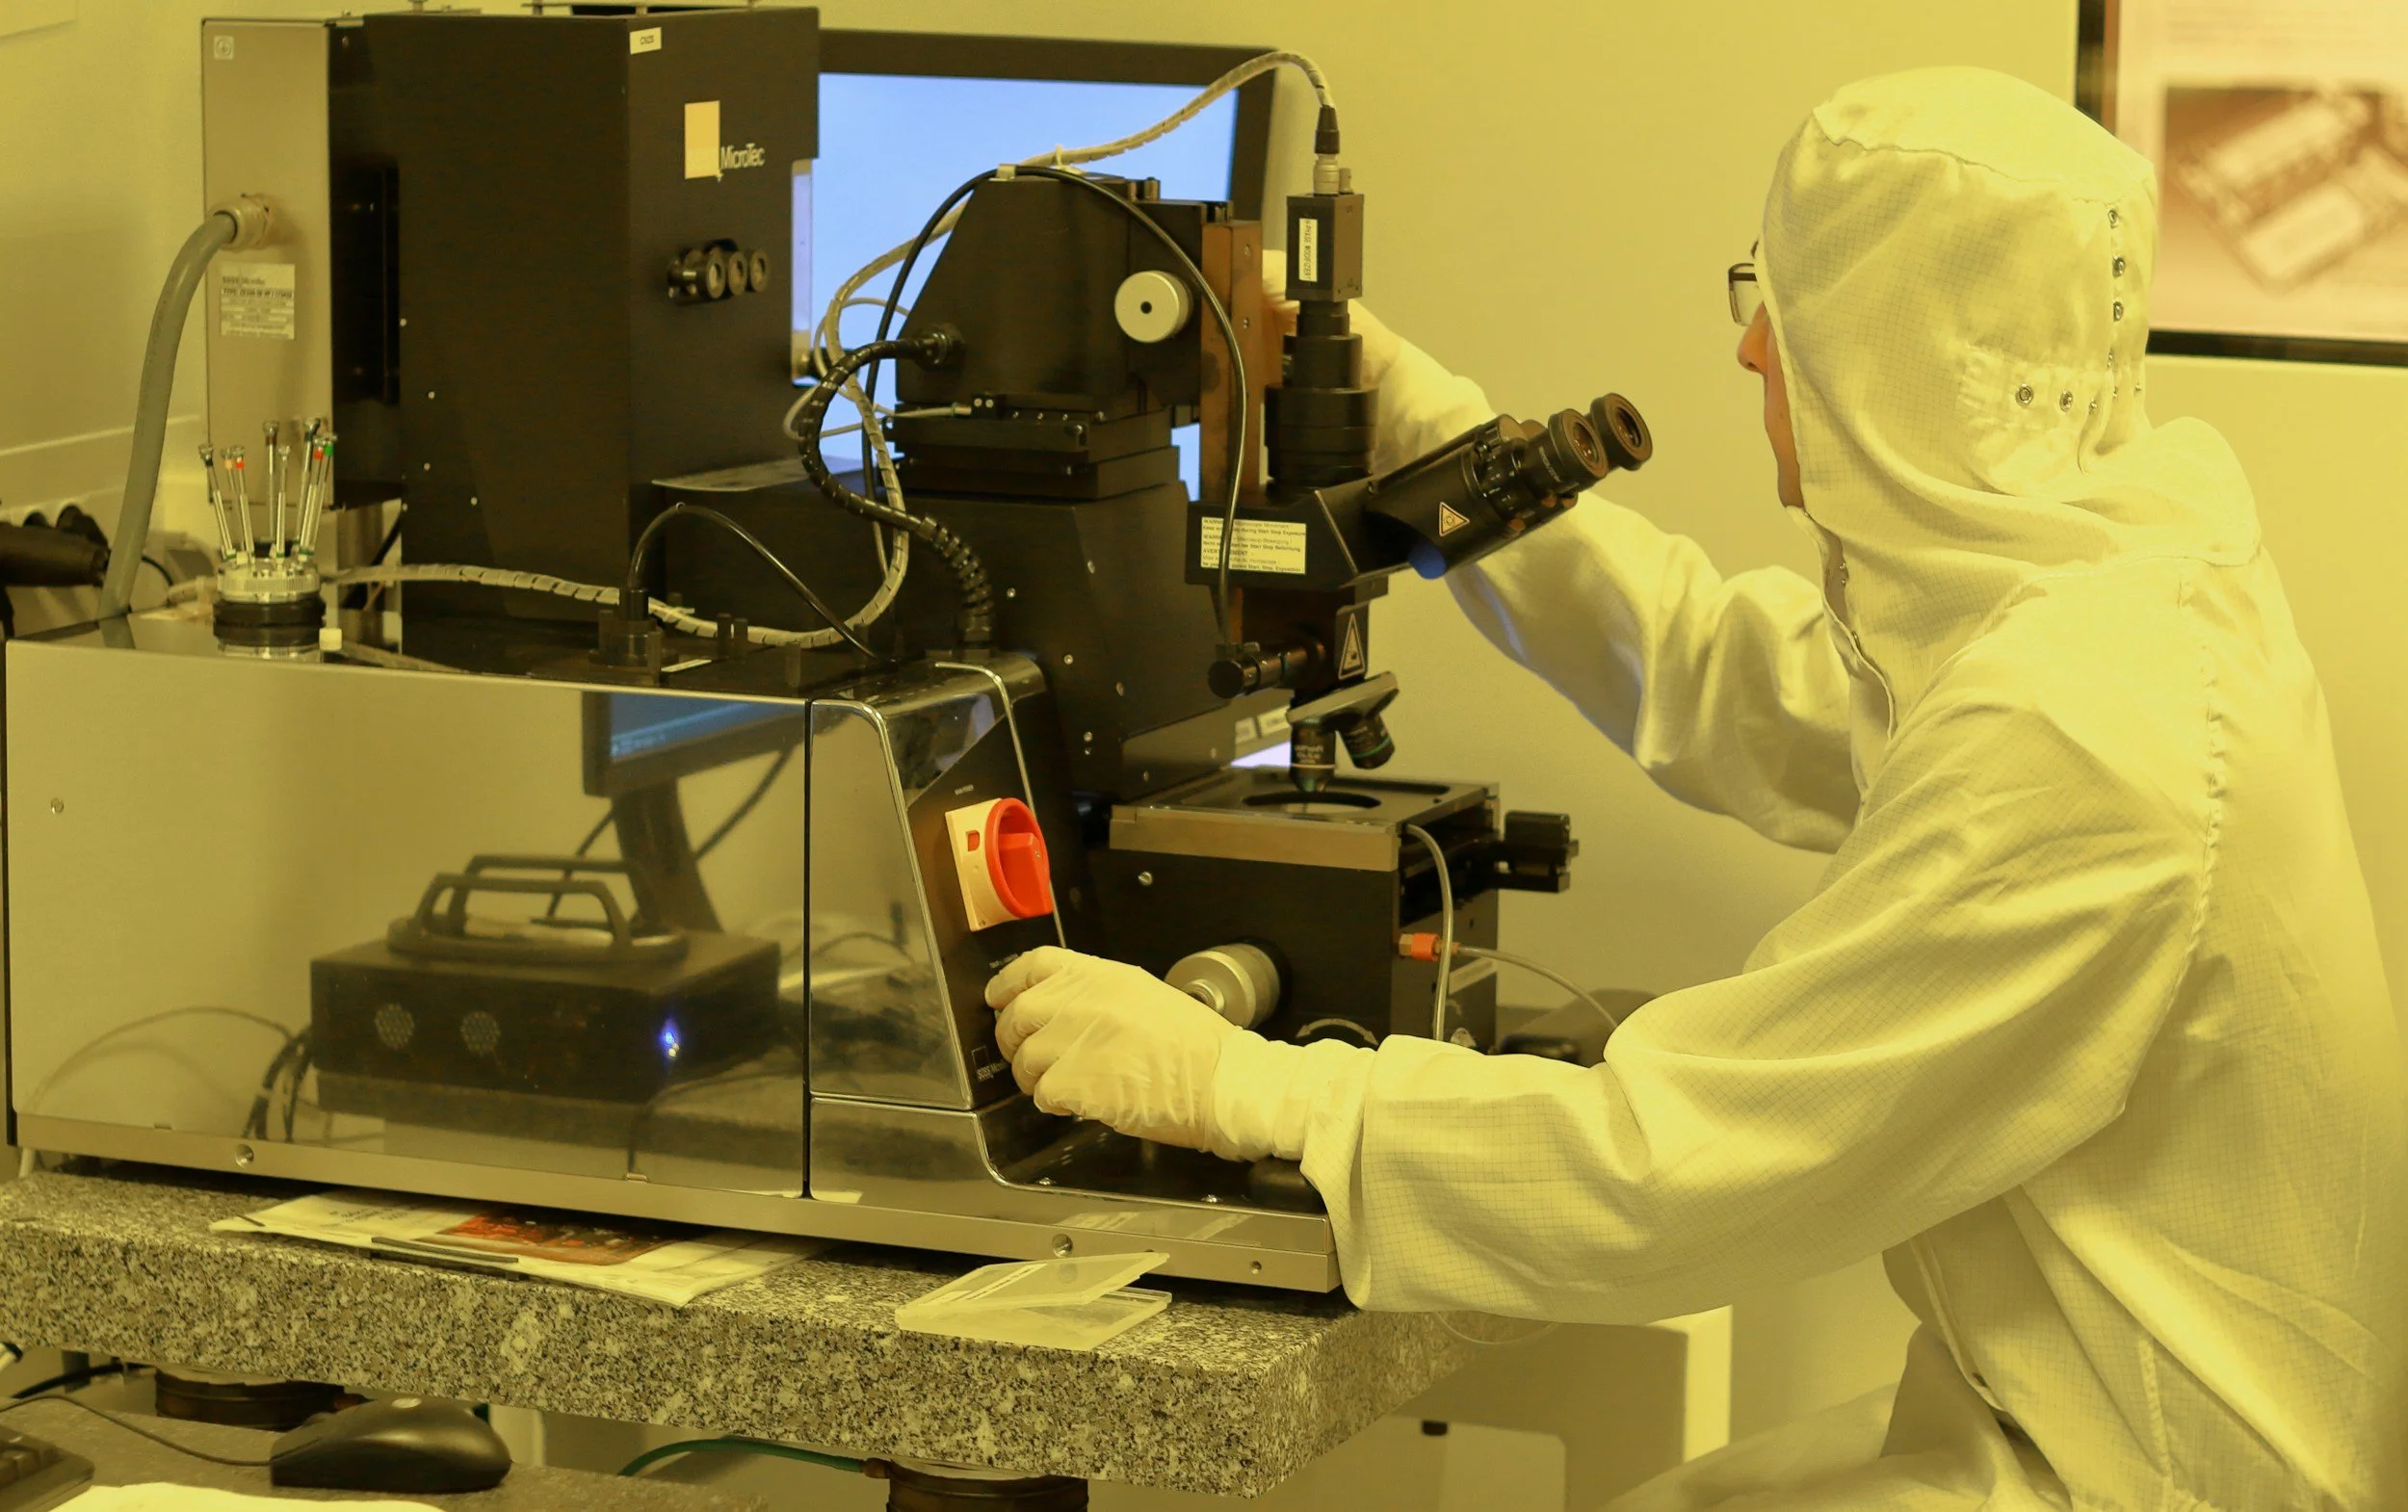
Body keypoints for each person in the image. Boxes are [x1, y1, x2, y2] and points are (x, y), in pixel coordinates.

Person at [984, 65, 2406, 1510]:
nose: (1747, 349)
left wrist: (1252, 1087)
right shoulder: (2110, 594)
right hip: (2055, 1410)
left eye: (1781, 303)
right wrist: (1418, 428)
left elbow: (1678, 1164)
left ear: (1894, 362)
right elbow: (1730, 675)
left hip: (2142, 1476)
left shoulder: (2084, 726)